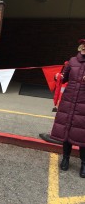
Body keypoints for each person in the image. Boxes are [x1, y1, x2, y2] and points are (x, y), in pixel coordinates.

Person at [50, 39, 85, 178]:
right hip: (69, 100)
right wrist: (57, 76)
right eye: (83, 45)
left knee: (83, 133)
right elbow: (64, 78)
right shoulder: (72, 61)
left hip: (83, 102)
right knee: (66, 130)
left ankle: (84, 164)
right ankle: (65, 158)